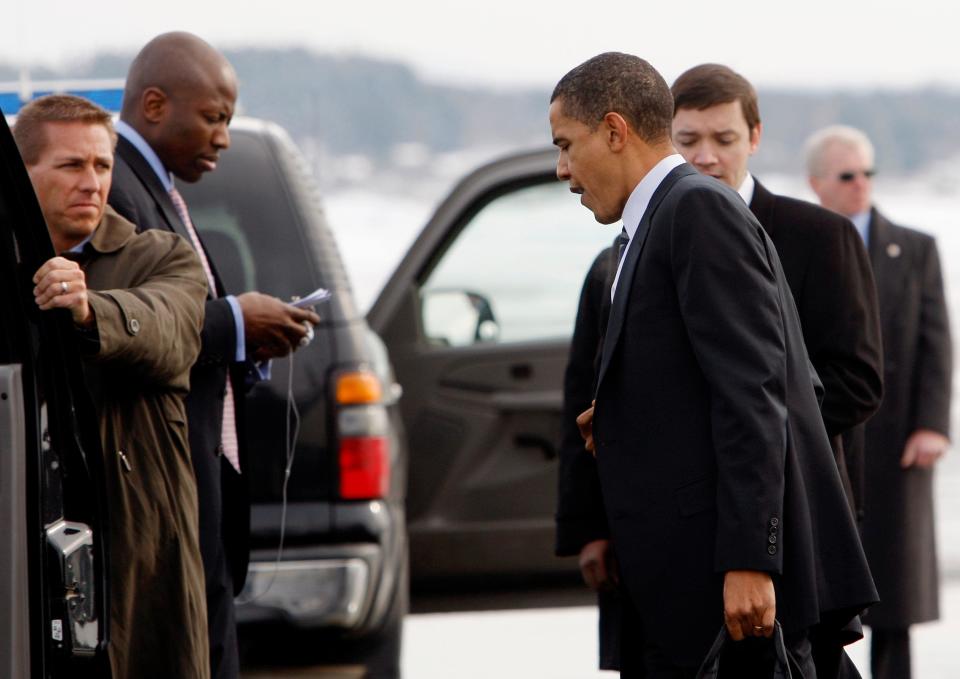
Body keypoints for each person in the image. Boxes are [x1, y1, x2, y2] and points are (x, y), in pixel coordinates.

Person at [550, 52, 877, 677]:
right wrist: (620, 417)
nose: (563, 170)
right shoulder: (656, 222)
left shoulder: (696, 211)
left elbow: (754, 393)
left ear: (615, 131)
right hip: (681, 580)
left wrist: (752, 560)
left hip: (723, 585)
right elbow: (695, 378)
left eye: (567, 145)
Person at [107, 32, 320, 679]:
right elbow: (129, 328)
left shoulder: (157, 185)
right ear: (152, 104)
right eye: (213, 116)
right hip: (166, 483)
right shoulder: (114, 185)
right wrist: (233, 322)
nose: (223, 136)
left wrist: (246, 342)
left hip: (204, 482)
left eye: (227, 119)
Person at [16, 94, 210, 678]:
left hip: (137, 561)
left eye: (102, 166)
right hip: (24, 551)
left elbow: (169, 330)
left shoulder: (162, 256)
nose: (92, 182)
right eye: (71, 165)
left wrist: (86, 310)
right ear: (22, 176)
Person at [807, 124, 952, 679]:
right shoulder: (798, 242)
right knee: (826, 588)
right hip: (831, 435)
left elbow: (936, 342)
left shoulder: (914, 247)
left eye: (869, 172)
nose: (861, 184)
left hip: (898, 442)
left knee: (897, 592)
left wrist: (932, 425)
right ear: (818, 182)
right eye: (848, 175)